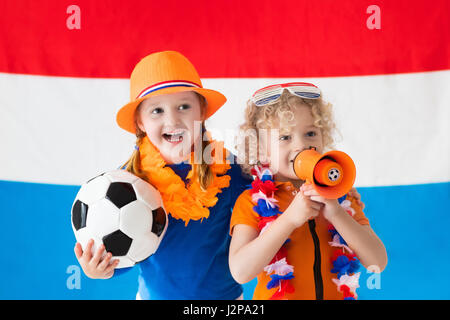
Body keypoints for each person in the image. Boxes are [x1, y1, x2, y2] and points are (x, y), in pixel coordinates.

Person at [74, 51, 251, 299]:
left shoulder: (229, 169)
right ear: (140, 123)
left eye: (183, 106)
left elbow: (263, 212)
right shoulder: (127, 183)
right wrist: (100, 269)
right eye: (156, 110)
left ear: (201, 112)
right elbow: (124, 250)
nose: (172, 119)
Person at [229, 83, 387, 300]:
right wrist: (289, 220)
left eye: (311, 133)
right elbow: (240, 272)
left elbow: (377, 261)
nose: (301, 145)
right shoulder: (251, 202)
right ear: (261, 150)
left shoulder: (343, 197)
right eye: (285, 137)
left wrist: (336, 213)